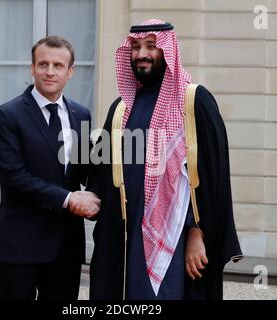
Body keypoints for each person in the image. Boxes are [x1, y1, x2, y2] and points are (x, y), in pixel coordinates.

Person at [88, 19, 242, 300]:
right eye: (135, 47)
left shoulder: (194, 101)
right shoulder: (122, 107)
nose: (141, 54)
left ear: (167, 50)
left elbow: (213, 176)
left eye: (151, 46)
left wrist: (198, 234)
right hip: (128, 232)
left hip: (177, 237)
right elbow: (101, 168)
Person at [0, 35, 100, 300]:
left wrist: (104, 193)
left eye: (58, 66)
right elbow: (15, 177)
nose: (50, 72)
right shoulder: (6, 116)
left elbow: (85, 170)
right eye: (43, 64)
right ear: (32, 67)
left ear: (70, 71)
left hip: (66, 247)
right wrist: (70, 199)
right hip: (19, 246)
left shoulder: (80, 114)